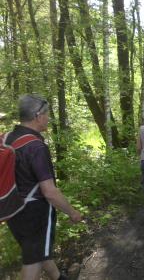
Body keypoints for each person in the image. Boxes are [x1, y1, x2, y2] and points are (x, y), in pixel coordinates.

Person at [6, 94, 83, 280]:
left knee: (37, 250)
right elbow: (50, 192)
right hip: (35, 213)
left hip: (12, 208)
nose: (48, 118)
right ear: (38, 116)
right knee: (33, 261)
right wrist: (72, 212)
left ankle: (58, 277)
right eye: (47, 114)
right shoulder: (36, 147)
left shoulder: (8, 138)